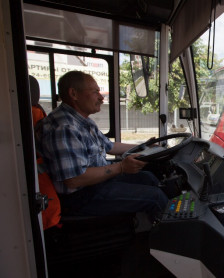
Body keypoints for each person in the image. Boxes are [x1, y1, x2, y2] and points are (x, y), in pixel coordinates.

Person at [35, 71, 168, 223]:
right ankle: (169, 244)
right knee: (155, 197)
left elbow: (109, 146)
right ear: (74, 94)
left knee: (148, 177)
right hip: (80, 197)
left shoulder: (82, 120)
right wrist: (121, 168)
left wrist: (144, 146)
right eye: (95, 92)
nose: (101, 97)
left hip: (96, 183)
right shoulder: (64, 127)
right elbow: (73, 180)